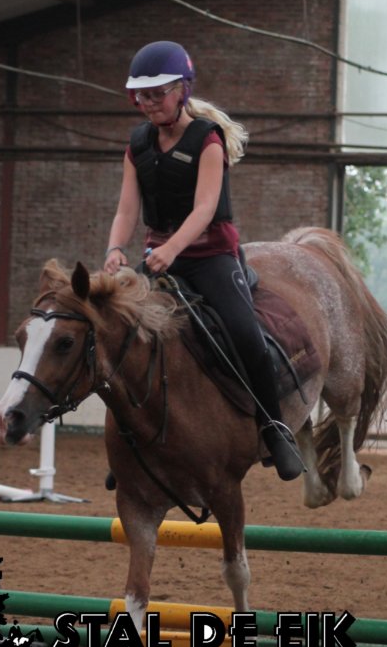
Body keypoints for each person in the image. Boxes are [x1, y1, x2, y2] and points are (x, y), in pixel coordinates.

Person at [103, 40, 304, 481]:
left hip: (210, 257)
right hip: (159, 257)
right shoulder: (137, 145)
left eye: (158, 94)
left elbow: (205, 209)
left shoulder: (207, 141)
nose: (149, 103)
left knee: (246, 336)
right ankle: (129, 439)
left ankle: (275, 429)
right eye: (141, 95)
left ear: (182, 90)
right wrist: (115, 249)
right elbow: (126, 210)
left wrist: (172, 249)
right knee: (117, 334)